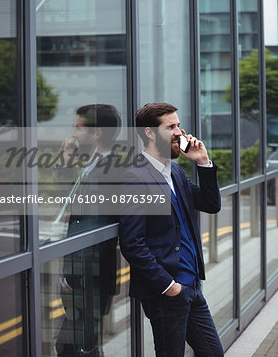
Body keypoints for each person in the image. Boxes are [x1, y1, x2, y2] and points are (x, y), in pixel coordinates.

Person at [119, 103, 224, 357]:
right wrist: (168, 286)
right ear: (150, 133)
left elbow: (210, 204)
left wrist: (203, 162)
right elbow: (132, 243)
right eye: (171, 127)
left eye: (178, 125)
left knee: (212, 353)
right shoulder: (135, 176)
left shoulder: (175, 171)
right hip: (167, 291)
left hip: (192, 285)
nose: (180, 132)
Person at [55, 104, 122, 357]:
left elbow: (95, 224)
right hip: (83, 273)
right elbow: (71, 200)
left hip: (89, 275)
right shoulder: (94, 161)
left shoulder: (113, 168)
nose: (73, 132)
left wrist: (72, 274)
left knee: (75, 345)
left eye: (78, 127)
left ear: (96, 133)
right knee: (81, 344)